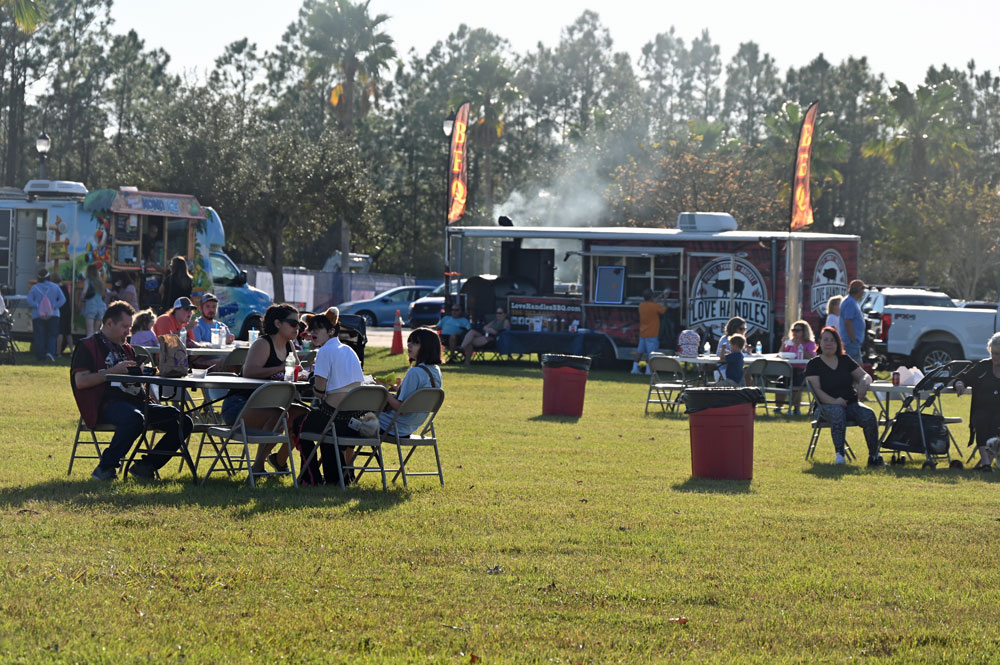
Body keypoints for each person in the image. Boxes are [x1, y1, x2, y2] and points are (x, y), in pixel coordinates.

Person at [70, 300, 192, 480]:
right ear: (109, 323)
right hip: (104, 404)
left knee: (183, 421)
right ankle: (105, 468)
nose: (128, 332)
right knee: (135, 419)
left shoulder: (127, 348)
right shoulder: (88, 346)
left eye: (130, 327)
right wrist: (112, 372)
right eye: (124, 327)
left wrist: (153, 374)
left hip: (136, 402)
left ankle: (146, 466)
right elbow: (80, 382)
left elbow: (136, 381)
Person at [220, 303, 301, 476]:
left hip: (272, 405)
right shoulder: (263, 344)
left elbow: (296, 370)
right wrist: (280, 368)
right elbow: (249, 372)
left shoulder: (289, 345)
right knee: (280, 415)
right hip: (239, 405)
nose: (298, 328)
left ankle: (279, 460)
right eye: (293, 323)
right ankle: (257, 467)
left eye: (300, 324)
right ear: (278, 324)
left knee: (303, 416)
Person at [290, 307, 366, 485]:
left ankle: (310, 479)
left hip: (333, 418)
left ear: (331, 331)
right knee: (321, 431)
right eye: (311, 328)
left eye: (317, 329)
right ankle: (335, 479)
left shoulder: (324, 351)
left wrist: (310, 377)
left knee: (299, 424)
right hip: (354, 421)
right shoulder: (349, 350)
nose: (312, 332)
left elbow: (320, 391)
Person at [804, 326, 882, 467]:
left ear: (838, 343)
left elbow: (865, 375)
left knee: (869, 414)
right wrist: (835, 401)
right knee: (837, 412)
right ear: (820, 342)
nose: (829, 343)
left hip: (850, 404)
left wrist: (864, 383)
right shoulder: (814, 364)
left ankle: (874, 456)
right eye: (825, 340)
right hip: (824, 408)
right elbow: (817, 391)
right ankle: (840, 455)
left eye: (832, 340)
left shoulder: (845, 360)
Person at [380, 326, 444, 436]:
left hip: (392, 426)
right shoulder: (435, 370)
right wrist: (399, 388)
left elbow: (402, 409)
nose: (409, 344)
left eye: (415, 343)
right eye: (409, 341)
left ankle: (344, 453)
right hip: (410, 427)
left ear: (427, 347)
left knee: (352, 416)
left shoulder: (415, 372)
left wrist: (382, 390)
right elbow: (415, 398)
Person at [953, 332, 1000, 471]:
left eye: (999, 354)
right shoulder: (983, 366)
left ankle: (990, 460)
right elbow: (962, 377)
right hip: (982, 409)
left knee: (997, 422)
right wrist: (960, 383)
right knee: (981, 420)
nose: (995, 357)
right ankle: (986, 464)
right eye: (994, 353)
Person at [776, 320, 818, 415]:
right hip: (789, 369)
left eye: (797, 330)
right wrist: (783, 344)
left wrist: (800, 347)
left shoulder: (809, 344)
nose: (794, 332)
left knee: (796, 380)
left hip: (803, 370)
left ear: (804, 332)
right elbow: (781, 354)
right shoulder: (790, 343)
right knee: (780, 381)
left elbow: (812, 357)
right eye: (793, 330)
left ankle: (796, 408)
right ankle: (778, 407)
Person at [26, 268, 67, 361]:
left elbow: (29, 300)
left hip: (38, 315)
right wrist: (54, 306)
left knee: (39, 336)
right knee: (52, 335)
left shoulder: (35, 287)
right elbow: (63, 299)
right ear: (49, 277)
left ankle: (40, 356)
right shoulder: (55, 287)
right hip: (53, 314)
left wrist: (37, 305)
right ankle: (50, 353)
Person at [631, 289, 667, 374]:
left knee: (639, 351)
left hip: (643, 333)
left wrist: (658, 298)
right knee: (651, 354)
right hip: (652, 334)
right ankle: (648, 370)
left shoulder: (641, 305)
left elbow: (652, 304)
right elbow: (664, 310)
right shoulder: (654, 306)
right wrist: (665, 299)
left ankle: (634, 369)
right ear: (652, 296)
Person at [837, 279, 866, 364]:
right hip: (851, 343)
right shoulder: (850, 302)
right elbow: (848, 322)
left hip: (852, 342)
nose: (863, 292)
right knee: (857, 367)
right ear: (857, 290)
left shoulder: (851, 301)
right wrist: (853, 339)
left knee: (856, 367)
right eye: (862, 289)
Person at [52, 272, 73, 356]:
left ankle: (58, 352)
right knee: (68, 332)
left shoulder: (56, 288)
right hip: (68, 310)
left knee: (60, 332)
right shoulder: (65, 287)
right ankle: (72, 351)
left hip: (60, 311)